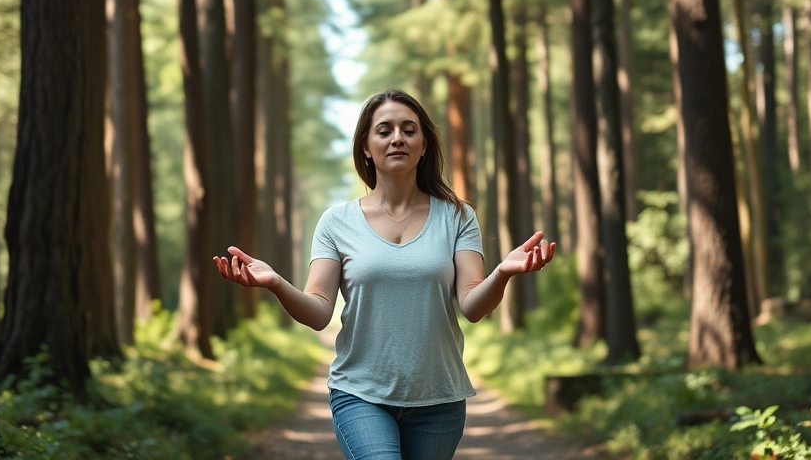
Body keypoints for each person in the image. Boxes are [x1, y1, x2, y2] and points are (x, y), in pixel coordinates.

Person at [213, 88, 555, 460]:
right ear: (365, 146)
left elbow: (472, 305)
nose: (397, 138)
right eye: (384, 130)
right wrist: (276, 284)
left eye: (409, 130)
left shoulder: (457, 216)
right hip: (360, 394)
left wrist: (502, 273)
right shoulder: (336, 222)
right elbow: (318, 311)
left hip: (438, 398)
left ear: (424, 145)